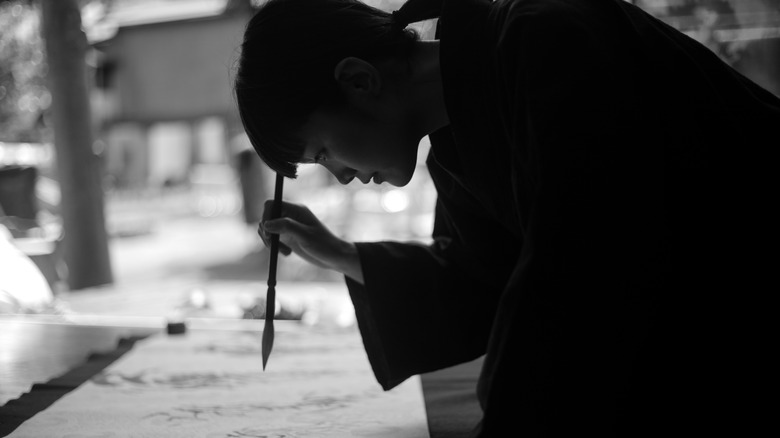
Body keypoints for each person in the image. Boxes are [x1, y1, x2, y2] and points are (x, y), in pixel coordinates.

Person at [234, 0, 778, 435]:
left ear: (358, 80)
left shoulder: (553, 40)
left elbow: (586, 284)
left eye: (323, 152)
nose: (342, 176)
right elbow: (483, 282)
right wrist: (339, 255)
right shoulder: (458, 133)